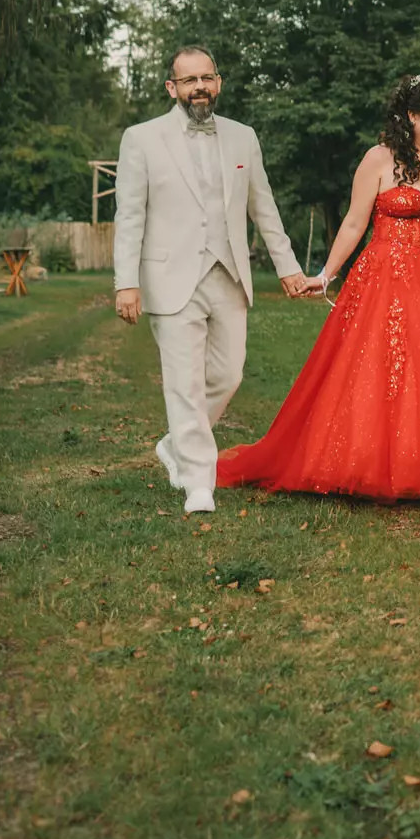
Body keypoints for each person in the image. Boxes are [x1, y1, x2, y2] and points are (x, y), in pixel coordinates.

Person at [216, 75, 420, 500]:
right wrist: (325, 275)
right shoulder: (378, 160)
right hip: (383, 274)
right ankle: (362, 460)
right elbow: (353, 222)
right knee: (374, 365)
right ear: (411, 115)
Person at [112, 46, 309, 514]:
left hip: (229, 274)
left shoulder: (243, 137)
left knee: (228, 373)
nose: (199, 87)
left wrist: (287, 267)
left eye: (207, 78)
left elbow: (264, 207)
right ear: (172, 88)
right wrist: (126, 281)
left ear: (218, 82)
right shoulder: (141, 138)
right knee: (183, 382)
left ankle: (174, 444)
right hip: (169, 278)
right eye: (188, 80)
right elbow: (130, 216)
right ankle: (199, 482)